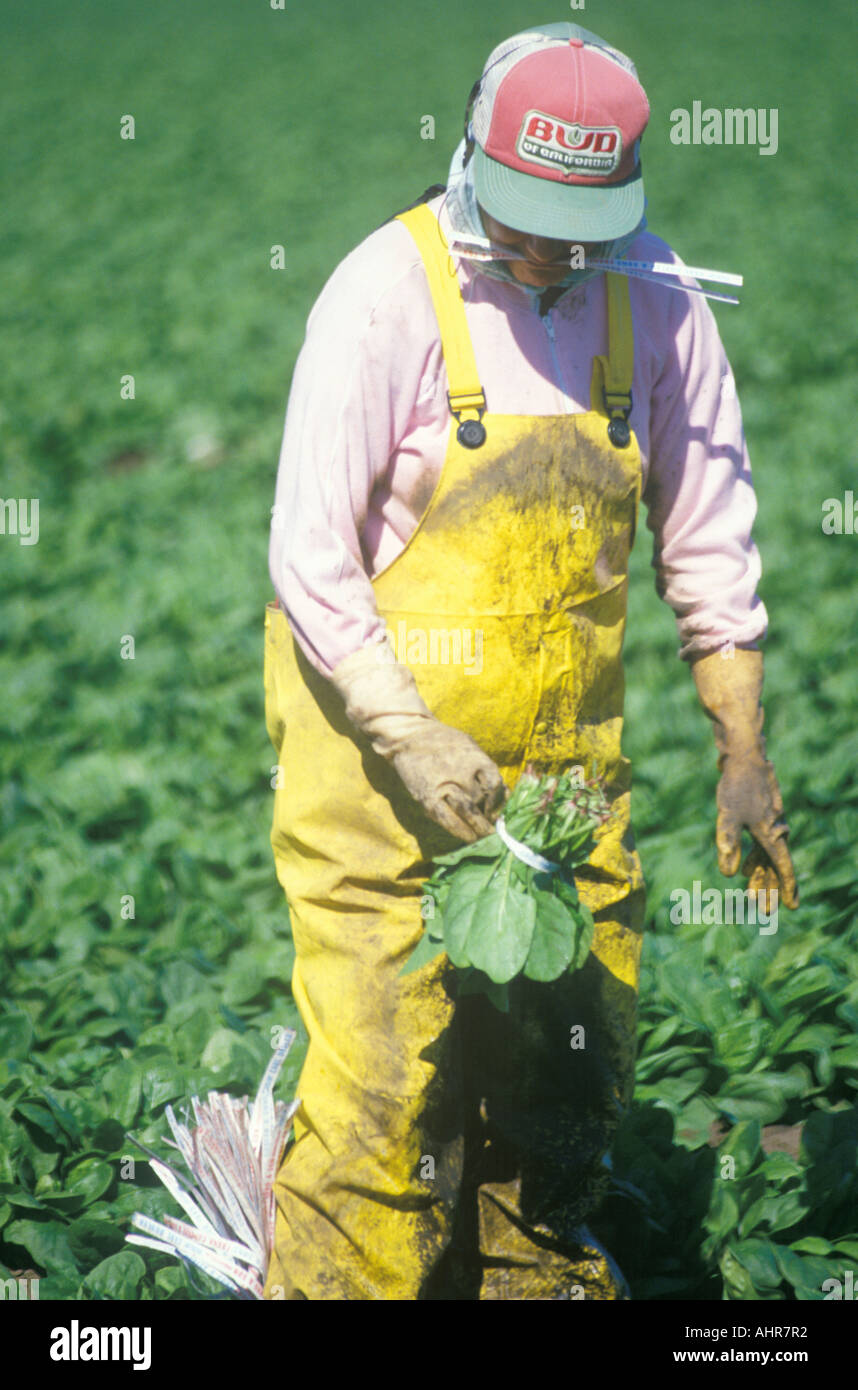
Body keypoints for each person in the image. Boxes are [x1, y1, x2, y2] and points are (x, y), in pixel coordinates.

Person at [262, 21, 798, 1301]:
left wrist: (744, 752)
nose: (551, 247)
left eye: (578, 220)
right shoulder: (385, 295)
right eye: (526, 215)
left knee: (563, 1092)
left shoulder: (654, 298)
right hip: (379, 782)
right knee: (386, 1097)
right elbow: (308, 559)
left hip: (563, 800)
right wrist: (410, 731)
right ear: (469, 156)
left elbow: (711, 539)